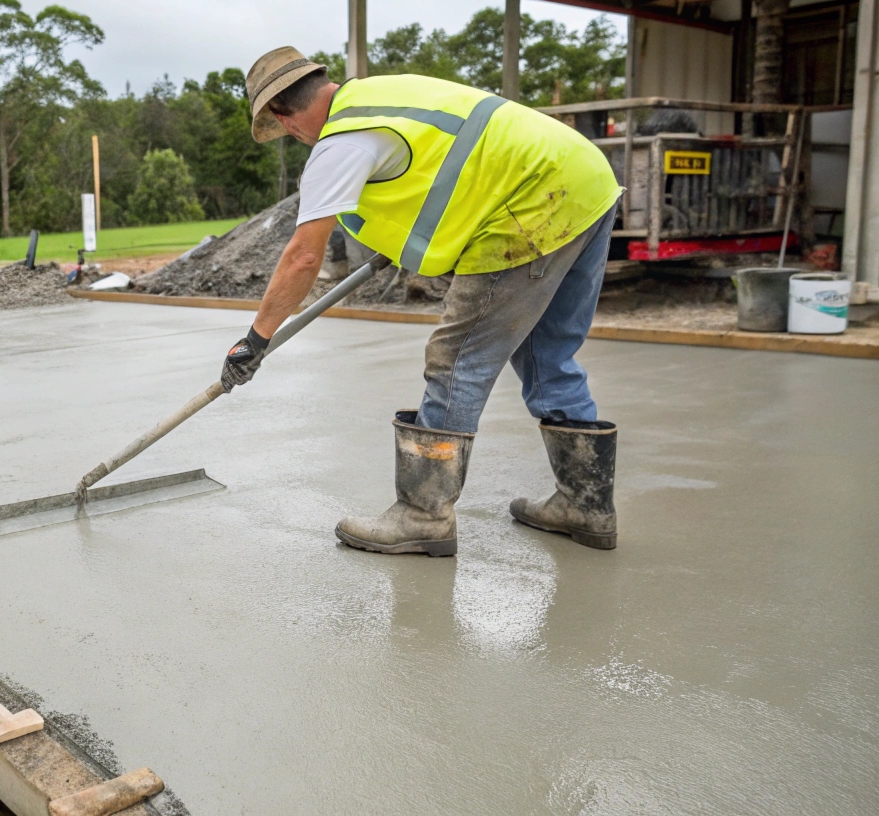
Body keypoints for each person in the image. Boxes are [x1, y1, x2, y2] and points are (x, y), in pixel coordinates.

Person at [221, 47, 623, 556]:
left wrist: (254, 340)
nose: (296, 139)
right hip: (586, 178)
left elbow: (302, 256)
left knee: (456, 359)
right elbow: (446, 167)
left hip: (531, 202)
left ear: (281, 113)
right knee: (547, 353)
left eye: (287, 131)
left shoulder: (338, 142)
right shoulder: (382, 97)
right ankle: (586, 505)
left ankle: (422, 514)